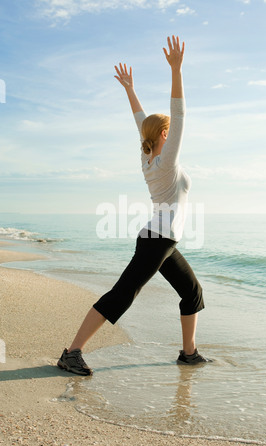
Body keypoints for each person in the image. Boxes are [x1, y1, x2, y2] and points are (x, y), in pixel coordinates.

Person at [57, 36, 208, 376]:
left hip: (162, 241)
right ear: (165, 135)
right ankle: (72, 352)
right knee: (123, 294)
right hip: (157, 240)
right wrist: (176, 70)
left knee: (192, 292)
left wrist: (129, 89)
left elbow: (141, 122)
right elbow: (179, 113)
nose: (173, 133)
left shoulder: (147, 156)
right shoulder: (166, 161)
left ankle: (189, 353)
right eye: (168, 130)